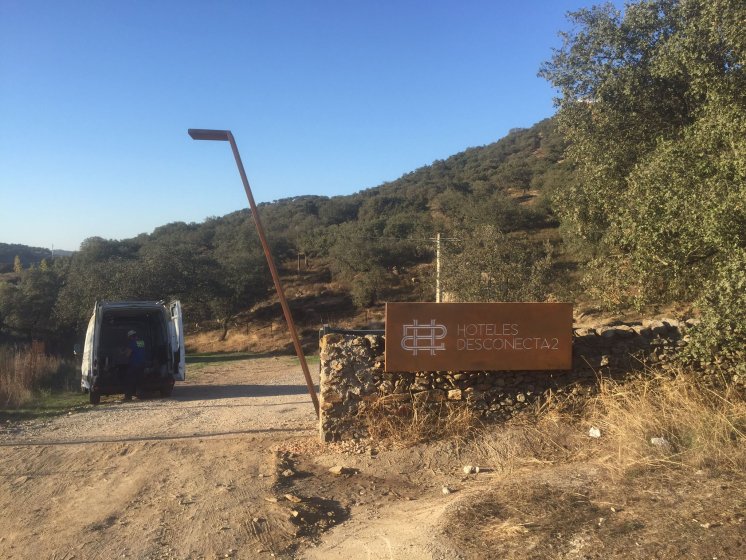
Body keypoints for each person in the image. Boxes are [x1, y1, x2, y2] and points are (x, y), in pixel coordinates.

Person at [124, 329, 146, 401]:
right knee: (140, 379)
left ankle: (128, 397)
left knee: (129, 380)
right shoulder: (142, 342)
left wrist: (123, 353)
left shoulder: (132, 343)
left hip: (134, 364)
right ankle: (141, 395)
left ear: (130, 337)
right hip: (142, 364)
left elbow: (128, 354)